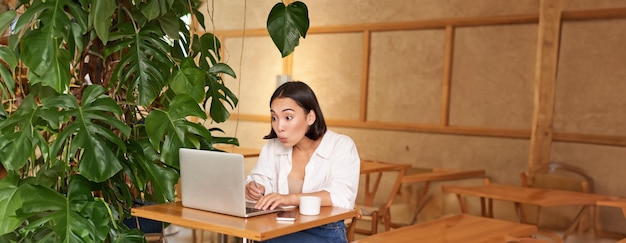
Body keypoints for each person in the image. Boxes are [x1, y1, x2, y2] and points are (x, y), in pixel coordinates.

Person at [245, 81, 360, 243]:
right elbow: (259, 178)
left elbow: (342, 196)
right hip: (276, 228)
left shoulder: (341, 146)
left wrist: (290, 198)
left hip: (323, 232)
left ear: (310, 117)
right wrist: (254, 187)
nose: (279, 127)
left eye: (288, 117)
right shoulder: (272, 147)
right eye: (274, 118)